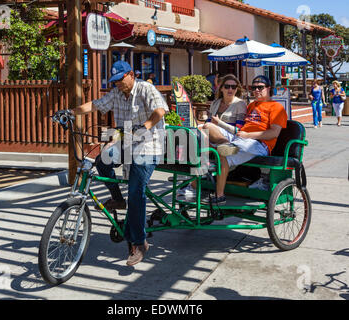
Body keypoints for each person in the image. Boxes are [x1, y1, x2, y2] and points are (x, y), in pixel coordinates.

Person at [73, 61, 169, 266]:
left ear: (131, 75)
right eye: (115, 81)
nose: (118, 84)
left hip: (149, 145)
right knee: (101, 161)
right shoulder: (117, 94)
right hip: (127, 144)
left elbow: (160, 110)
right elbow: (96, 104)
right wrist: (71, 112)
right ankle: (117, 198)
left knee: (136, 191)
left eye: (120, 80)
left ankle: (139, 242)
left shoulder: (145, 88)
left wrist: (145, 126)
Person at [208, 75, 287, 205]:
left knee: (223, 151)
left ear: (269, 88)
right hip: (241, 139)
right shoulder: (252, 106)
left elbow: (274, 133)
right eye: (254, 87)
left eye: (260, 87)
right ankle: (213, 190)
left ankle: (217, 190)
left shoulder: (276, 107)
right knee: (205, 132)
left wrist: (248, 135)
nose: (256, 90)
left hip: (259, 144)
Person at [177, 74, 247, 199]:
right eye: (227, 86)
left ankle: (218, 151)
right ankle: (195, 186)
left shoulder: (240, 104)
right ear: (221, 89)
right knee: (192, 140)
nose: (230, 89)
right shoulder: (216, 103)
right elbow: (206, 124)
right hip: (213, 138)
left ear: (237, 89)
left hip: (231, 138)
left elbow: (239, 130)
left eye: (233, 87)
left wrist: (219, 123)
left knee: (207, 129)